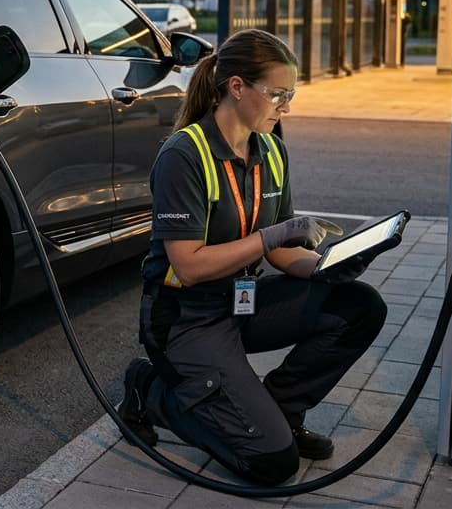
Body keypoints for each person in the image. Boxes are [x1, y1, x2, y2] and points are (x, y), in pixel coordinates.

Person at [118, 28, 387, 486]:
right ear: (237, 87)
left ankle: (282, 411)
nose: (287, 106)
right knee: (271, 466)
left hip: (241, 302)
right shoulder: (184, 154)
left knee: (359, 307)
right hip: (185, 318)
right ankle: (151, 391)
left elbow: (283, 250)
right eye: (278, 94)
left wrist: (322, 269)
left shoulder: (272, 150)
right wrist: (270, 237)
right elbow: (189, 264)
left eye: (292, 94)